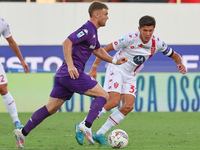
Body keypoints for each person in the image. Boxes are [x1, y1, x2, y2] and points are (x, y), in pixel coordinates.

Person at [13, 1, 127, 149]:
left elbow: (97, 50)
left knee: (51, 108)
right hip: (72, 73)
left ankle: (22, 132)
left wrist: (115, 61)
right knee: (104, 95)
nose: (107, 17)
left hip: (63, 76)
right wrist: (71, 65)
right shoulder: (87, 29)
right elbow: (67, 42)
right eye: (106, 14)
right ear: (96, 14)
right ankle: (85, 125)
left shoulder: (93, 32)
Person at [77, 15, 187, 145]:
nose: (148, 34)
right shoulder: (130, 38)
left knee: (128, 106)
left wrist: (180, 63)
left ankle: (100, 133)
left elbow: (174, 55)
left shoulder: (157, 43)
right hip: (117, 68)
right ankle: (83, 124)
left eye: (150, 30)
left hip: (130, 74)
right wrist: (94, 67)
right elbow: (106, 49)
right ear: (139, 29)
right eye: (145, 30)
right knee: (113, 101)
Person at [0, 17, 29, 129]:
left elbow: (11, 41)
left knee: (3, 88)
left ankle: (16, 121)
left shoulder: (2, 23)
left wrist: (21, 60)